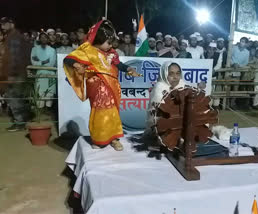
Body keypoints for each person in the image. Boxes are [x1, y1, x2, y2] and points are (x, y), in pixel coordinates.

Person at [63, 19, 140, 150]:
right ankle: (98, 140)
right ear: (98, 40)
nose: (111, 45)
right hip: (97, 89)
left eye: (111, 42)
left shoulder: (111, 53)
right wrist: (77, 65)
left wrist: (129, 69)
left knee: (113, 113)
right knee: (99, 114)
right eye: (108, 42)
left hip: (112, 88)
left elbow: (118, 64)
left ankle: (114, 139)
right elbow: (69, 59)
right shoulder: (88, 51)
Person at [1, 17, 31, 131]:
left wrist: (11, 74)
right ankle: (22, 120)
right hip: (18, 73)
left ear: (11, 24)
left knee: (13, 97)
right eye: (1, 24)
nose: (2, 26)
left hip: (15, 73)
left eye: (5, 23)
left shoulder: (13, 37)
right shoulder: (14, 36)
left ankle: (20, 123)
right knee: (17, 97)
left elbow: (14, 57)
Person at [145, 61, 186, 137]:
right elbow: (161, 114)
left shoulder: (182, 85)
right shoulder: (159, 88)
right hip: (159, 126)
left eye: (178, 73)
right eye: (171, 74)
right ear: (164, 74)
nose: (175, 77)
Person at [31, 32, 57, 109]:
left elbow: (51, 64)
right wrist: (44, 61)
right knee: (40, 96)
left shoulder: (52, 50)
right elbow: (33, 63)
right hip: (40, 74)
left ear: (48, 39)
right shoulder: (34, 49)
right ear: (39, 39)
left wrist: (39, 61)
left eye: (45, 37)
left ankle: (48, 113)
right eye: (41, 37)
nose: (43, 39)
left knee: (49, 96)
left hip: (50, 74)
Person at [230, 37, 250, 109]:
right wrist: (233, 64)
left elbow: (246, 62)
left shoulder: (247, 52)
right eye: (241, 41)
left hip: (238, 72)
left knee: (235, 88)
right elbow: (229, 57)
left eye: (244, 42)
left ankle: (232, 103)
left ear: (246, 44)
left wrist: (239, 66)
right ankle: (225, 103)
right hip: (229, 70)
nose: (242, 42)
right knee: (227, 87)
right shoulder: (234, 48)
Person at [211, 38, 227, 107]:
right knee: (211, 89)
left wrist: (214, 70)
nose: (220, 44)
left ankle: (216, 105)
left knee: (218, 89)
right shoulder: (214, 51)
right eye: (219, 42)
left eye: (222, 42)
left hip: (220, 74)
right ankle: (210, 104)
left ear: (223, 43)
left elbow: (221, 64)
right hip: (211, 73)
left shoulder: (225, 53)